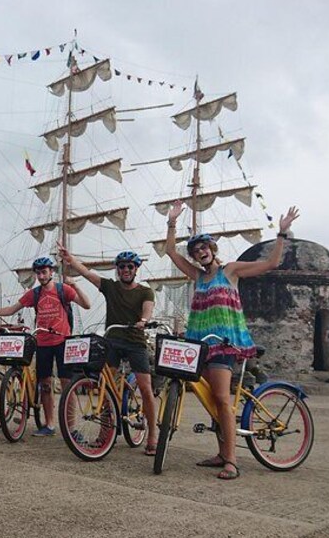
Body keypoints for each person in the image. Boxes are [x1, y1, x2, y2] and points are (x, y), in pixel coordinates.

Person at [165, 201, 299, 480]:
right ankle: (221, 451)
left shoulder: (230, 271)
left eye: (204, 248)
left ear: (212, 250)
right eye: (195, 251)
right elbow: (169, 251)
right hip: (200, 345)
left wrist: (282, 234)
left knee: (222, 399)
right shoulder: (197, 277)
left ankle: (232, 461)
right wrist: (172, 223)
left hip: (225, 344)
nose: (200, 253)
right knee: (210, 398)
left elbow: (271, 263)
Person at [58, 243, 158, 455]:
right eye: (121, 266)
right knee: (104, 388)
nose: (126, 270)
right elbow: (86, 273)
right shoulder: (110, 287)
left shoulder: (145, 291)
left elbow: (147, 309)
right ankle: (105, 433)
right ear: (117, 269)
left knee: (146, 387)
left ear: (136, 269)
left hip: (135, 341)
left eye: (130, 266)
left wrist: (143, 320)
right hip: (112, 340)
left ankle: (152, 435)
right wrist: (70, 259)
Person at [0, 256, 91, 436]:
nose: (41, 276)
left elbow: (87, 304)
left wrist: (76, 287)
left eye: (44, 272)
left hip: (63, 341)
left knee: (67, 385)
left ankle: (71, 428)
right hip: (42, 342)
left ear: (51, 272)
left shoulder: (62, 290)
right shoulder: (34, 294)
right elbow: (13, 309)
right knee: (45, 384)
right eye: (38, 273)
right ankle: (49, 424)